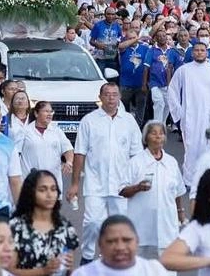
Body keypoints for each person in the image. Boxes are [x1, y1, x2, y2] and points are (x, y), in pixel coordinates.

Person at [69, 82, 142, 263]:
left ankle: (115, 260)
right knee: (93, 222)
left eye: (114, 94)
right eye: (107, 94)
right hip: (96, 182)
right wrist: (75, 184)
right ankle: (87, 257)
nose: (111, 98)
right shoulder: (89, 121)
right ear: (100, 98)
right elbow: (80, 153)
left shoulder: (129, 121)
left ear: (119, 97)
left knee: (121, 225)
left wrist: (137, 183)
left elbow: (137, 154)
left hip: (122, 184)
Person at [119, 121, 185, 259]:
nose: (158, 137)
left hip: (167, 226)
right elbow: (122, 190)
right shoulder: (136, 162)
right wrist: (138, 188)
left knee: (167, 267)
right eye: (153, 133)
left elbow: (178, 192)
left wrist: (180, 213)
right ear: (146, 138)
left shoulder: (171, 162)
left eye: (161, 133)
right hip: (142, 228)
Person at [166, 41, 210, 187]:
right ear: (192, 53)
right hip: (190, 116)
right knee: (191, 149)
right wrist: (178, 113)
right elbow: (172, 90)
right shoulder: (184, 70)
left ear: (207, 53)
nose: (199, 52)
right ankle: (189, 181)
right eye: (197, 50)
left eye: (202, 50)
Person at [9, 169, 79, 276]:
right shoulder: (16, 227)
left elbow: (68, 268)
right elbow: (9, 271)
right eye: (42, 190)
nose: (49, 194)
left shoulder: (65, 226)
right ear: (31, 193)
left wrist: (68, 267)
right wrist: (42, 272)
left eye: (53, 189)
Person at [71, 215, 170, 276]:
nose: (120, 247)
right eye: (111, 241)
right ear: (100, 245)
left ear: (137, 241)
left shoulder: (154, 271)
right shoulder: (83, 274)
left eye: (126, 240)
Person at [14, 101, 73, 193]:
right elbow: (15, 154)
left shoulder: (57, 131)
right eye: (46, 111)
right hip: (30, 182)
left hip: (52, 182)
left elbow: (68, 149)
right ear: (36, 113)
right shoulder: (25, 131)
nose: (49, 114)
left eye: (51, 112)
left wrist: (69, 162)